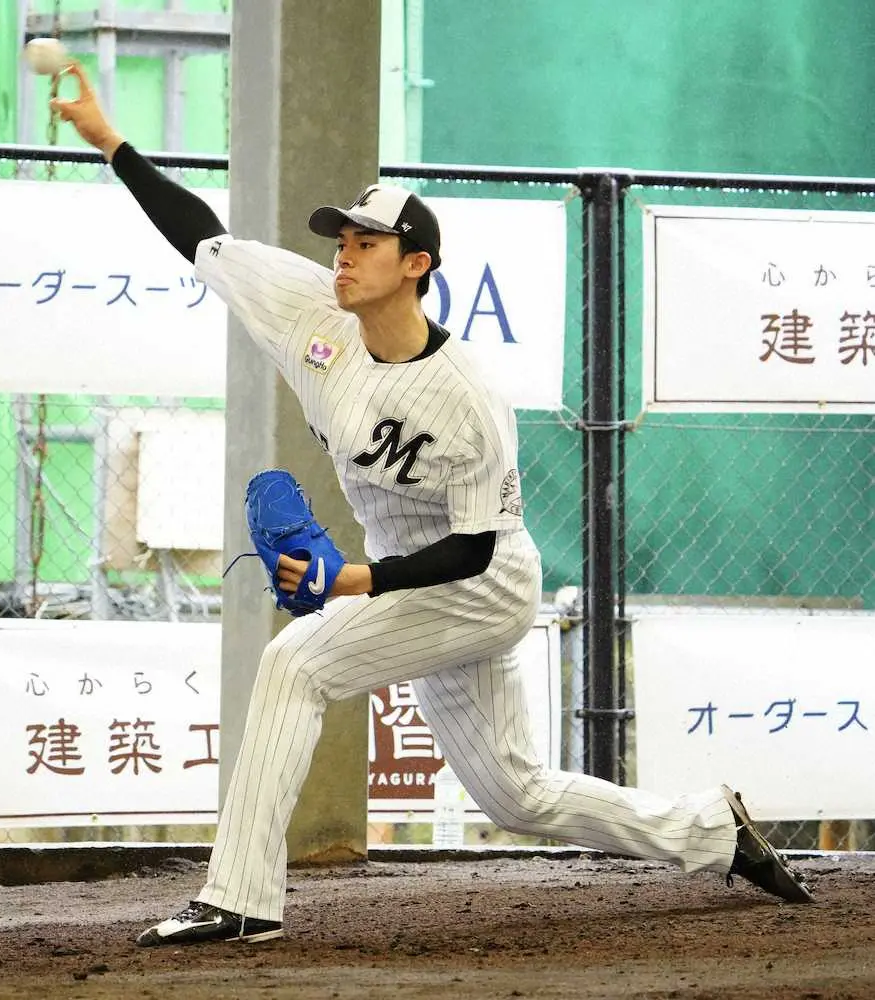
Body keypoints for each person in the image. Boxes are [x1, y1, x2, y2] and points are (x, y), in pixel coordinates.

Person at [51, 64, 813, 947]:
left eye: (366, 243)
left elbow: (473, 551)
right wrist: (110, 141)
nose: (343, 253)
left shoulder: (465, 398)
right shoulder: (309, 312)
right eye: (342, 239)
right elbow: (202, 237)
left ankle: (240, 898)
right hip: (402, 575)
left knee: (296, 663)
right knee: (515, 795)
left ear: (414, 265)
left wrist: (354, 581)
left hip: (477, 584)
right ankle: (713, 831)